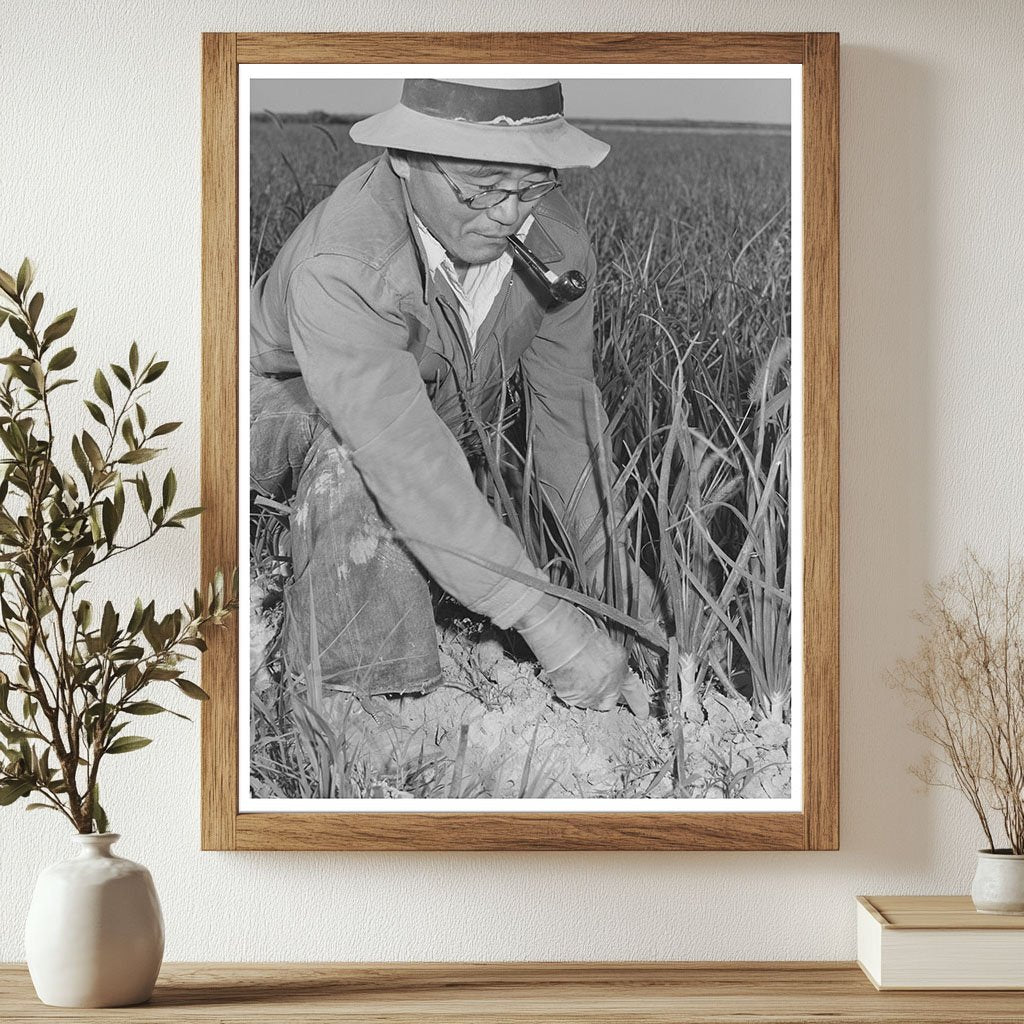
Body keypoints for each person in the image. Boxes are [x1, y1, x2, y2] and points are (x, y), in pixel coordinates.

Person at [250, 78, 657, 717]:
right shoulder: (346, 263)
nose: (508, 213)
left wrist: (616, 578)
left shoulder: (555, 243)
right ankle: (364, 707)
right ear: (406, 160)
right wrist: (546, 623)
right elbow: (401, 456)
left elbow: (565, 412)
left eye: (531, 184)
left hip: (411, 411)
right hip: (273, 406)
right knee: (355, 467)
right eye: (482, 185)